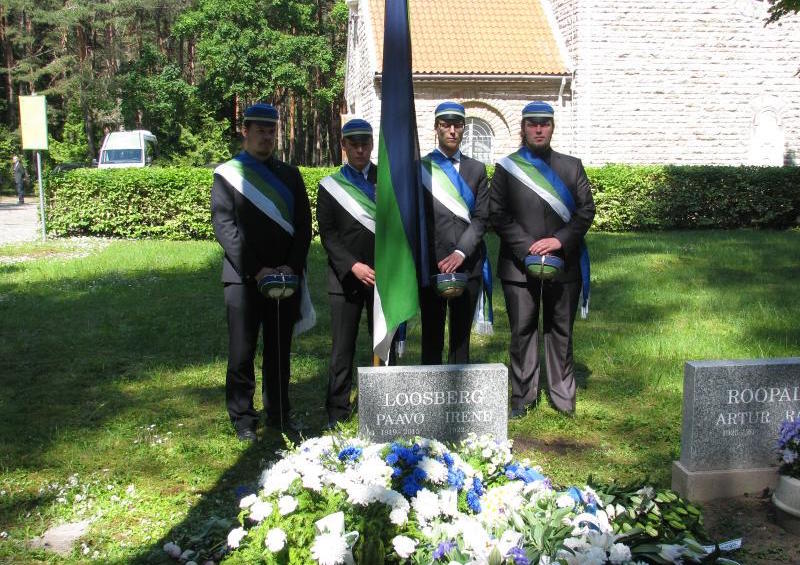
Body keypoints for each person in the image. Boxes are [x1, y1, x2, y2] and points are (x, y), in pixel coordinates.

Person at [211, 103, 313, 441]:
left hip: (284, 278)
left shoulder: (290, 175)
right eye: (260, 130)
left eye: (271, 131)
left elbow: (303, 226)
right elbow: (225, 227)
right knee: (242, 350)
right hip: (243, 278)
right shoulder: (228, 174)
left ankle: (279, 413)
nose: (266, 137)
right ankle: (242, 417)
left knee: (279, 350)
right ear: (246, 131)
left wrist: (290, 267)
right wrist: (257, 270)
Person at [490, 101, 594, 417]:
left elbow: (585, 211)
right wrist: (530, 247)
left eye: (544, 123)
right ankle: (522, 398)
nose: (538, 129)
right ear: (523, 127)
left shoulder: (571, 166)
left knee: (560, 331)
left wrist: (557, 241)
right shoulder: (506, 168)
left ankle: (563, 398)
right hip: (519, 266)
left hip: (564, 264)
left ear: (552, 127)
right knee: (523, 332)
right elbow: (497, 214)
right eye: (532, 123)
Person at [317, 118, 392, 428]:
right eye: (354, 144)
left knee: (384, 341)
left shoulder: (387, 180)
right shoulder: (330, 186)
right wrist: (352, 265)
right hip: (345, 277)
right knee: (342, 347)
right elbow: (329, 235)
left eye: (365, 143)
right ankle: (337, 408)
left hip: (384, 276)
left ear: (372, 145)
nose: (360, 149)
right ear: (344, 146)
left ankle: (385, 401)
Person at [419, 101, 490, 365]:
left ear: (463, 128)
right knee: (431, 335)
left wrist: (461, 252)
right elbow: (418, 219)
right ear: (436, 128)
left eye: (457, 125)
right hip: (432, 265)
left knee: (461, 338)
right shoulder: (421, 168)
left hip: (467, 263)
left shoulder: (477, 169)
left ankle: (457, 397)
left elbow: (482, 217)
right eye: (445, 125)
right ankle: (430, 395)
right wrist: (436, 256)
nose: (452, 130)